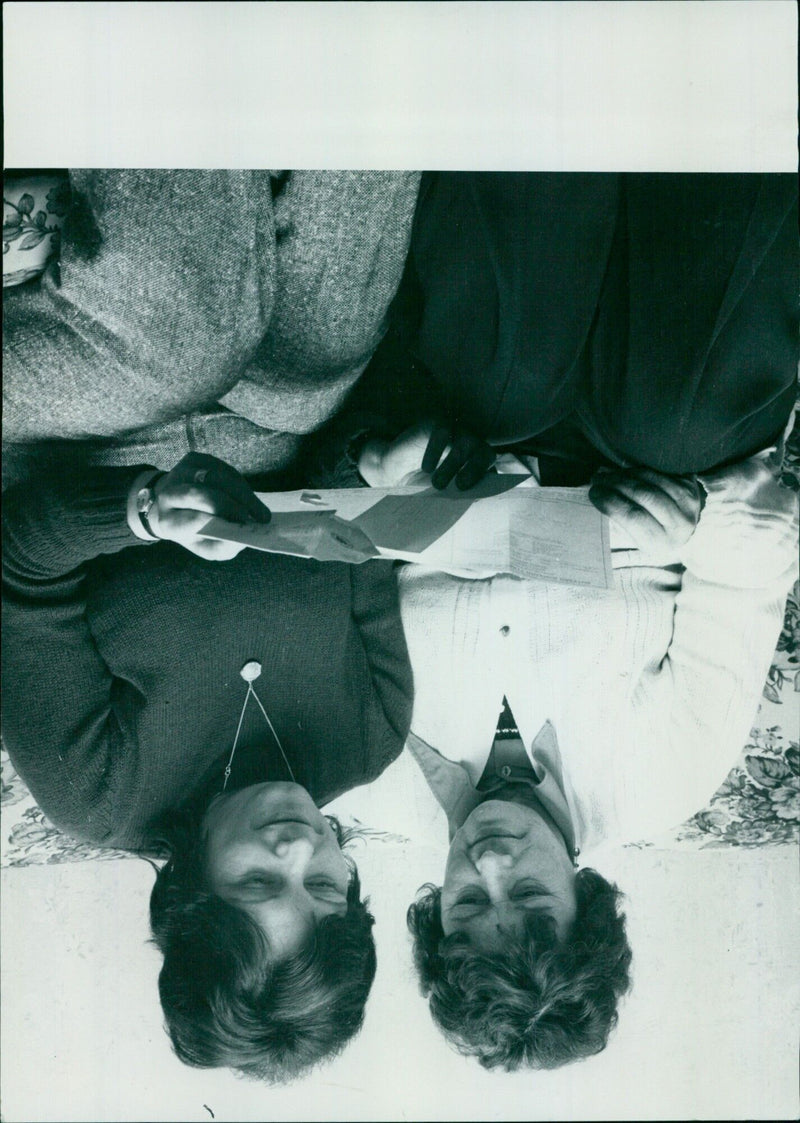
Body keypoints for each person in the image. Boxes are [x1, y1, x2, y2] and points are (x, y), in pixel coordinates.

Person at [354, 389, 798, 1068]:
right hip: (632, 450)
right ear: (583, 901)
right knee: (681, 417)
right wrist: (697, 524)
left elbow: (338, 561)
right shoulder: (668, 777)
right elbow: (759, 562)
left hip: (458, 429)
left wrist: (388, 480)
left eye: (468, 904)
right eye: (530, 896)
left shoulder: (368, 773)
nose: (490, 863)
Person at [1, 451, 413, 1081]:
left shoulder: (97, 795)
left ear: (192, 896)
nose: (300, 847)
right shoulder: (373, 734)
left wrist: (142, 510)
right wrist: (381, 462)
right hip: (301, 413)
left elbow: (17, 561)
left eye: (260, 884)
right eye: (326, 887)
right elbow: (359, 513)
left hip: (108, 431)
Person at [2, 168, 421, 488]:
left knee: (174, 351)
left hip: (46, 456)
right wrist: (368, 459)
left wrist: (138, 514)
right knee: (305, 376)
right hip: (269, 442)